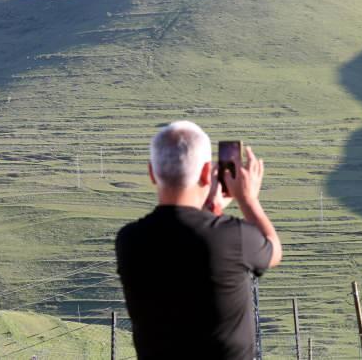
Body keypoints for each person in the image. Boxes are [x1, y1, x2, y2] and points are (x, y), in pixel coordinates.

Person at [115, 121, 282, 360]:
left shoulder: (129, 240)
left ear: (152, 172)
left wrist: (211, 209)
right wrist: (247, 199)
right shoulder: (234, 237)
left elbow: (185, 244)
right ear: (207, 172)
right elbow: (273, 249)